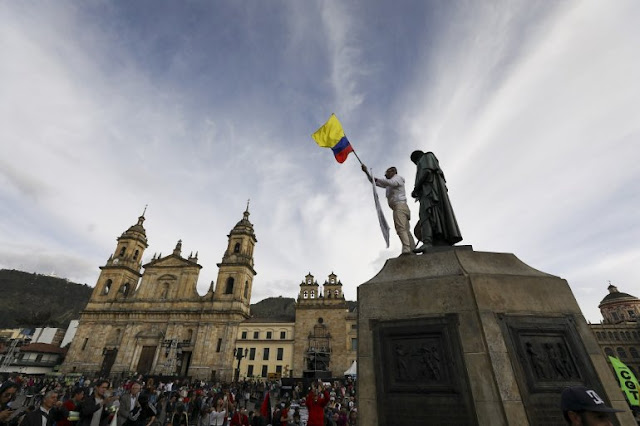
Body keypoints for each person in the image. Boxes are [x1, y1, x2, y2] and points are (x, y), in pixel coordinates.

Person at [409, 150, 462, 252]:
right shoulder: (428, 158)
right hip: (429, 192)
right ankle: (436, 238)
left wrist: (416, 188)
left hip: (430, 193)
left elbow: (426, 171)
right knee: (432, 216)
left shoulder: (426, 157)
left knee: (425, 216)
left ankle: (428, 242)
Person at [361, 165, 415, 255]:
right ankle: (411, 249)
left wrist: (377, 179)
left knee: (401, 228)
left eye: (387, 172)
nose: (385, 174)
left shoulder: (398, 178)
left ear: (393, 172)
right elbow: (374, 182)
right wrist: (366, 172)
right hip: (398, 207)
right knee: (405, 229)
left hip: (400, 206)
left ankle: (407, 249)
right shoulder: (388, 184)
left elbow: (390, 183)